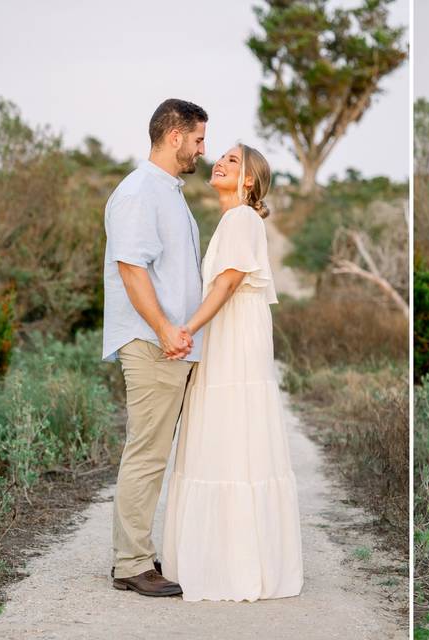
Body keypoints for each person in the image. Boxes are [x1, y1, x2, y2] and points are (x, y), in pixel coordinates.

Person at [162, 143, 304, 602]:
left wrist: (186, 329)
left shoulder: (242, 218)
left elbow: (228, 283)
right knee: (221, 437)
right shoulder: (229, 221)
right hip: (223, 337)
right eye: (219, 157)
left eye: (231, 160)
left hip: (235, 339)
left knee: (234, 435)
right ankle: (217, 555)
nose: (219, 163)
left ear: (248, 180)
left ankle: (236, 564)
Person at [102, 98, 207, 597]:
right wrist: (165, 327)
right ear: (174, 136)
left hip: (171, 343)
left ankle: (136, 553)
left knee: (155, 451)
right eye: (198, 139)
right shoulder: (141, 190)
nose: (202, 150)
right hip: (151, 343)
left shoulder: (168, 192)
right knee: (146, 452)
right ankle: (132, 563)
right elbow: (130, 266)